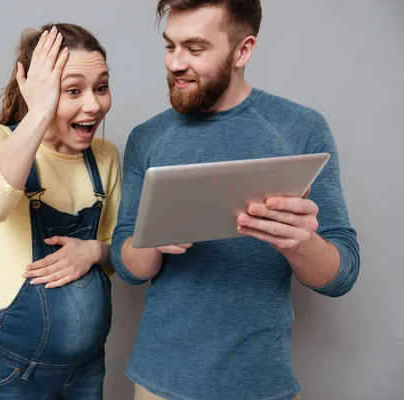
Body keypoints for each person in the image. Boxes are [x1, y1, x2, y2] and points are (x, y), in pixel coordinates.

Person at [110, 1, 360, 399]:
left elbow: (342, 275)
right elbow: (125, 265)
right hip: (160, 384)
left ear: (243, 50)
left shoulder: (300, 130)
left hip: (264, 384)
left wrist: (301, 244)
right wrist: (151, 241)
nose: (175, 63)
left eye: (194, 49)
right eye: (170, 46)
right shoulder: (147, 138)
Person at [0, 23, 121, 400]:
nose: (93, 105)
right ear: (37, 91)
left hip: (86, 368)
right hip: (16, 371)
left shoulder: (105, 157)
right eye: (72, 90)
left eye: (101, 87)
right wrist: (40, 110)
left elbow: (121, 250)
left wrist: (95, 251)